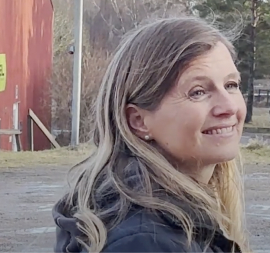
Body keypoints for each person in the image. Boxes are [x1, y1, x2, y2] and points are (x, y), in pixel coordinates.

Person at [52, 16, 249, 253]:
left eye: (231, 85)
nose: (228, 107)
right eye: (198, 92)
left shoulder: (177, 223)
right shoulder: (146, 241)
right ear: (138, 121)